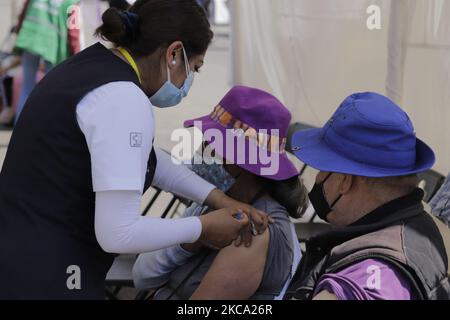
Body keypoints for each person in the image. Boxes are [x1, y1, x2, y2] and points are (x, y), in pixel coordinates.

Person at [0, 0, 269, 299]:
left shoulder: (92, 66)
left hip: (20, 246)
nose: (189, 82)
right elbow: (118, 232)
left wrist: (217, 198)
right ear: (174, 53)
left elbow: (144, 159)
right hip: (48, 271)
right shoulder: (124, 99)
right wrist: (202, 227)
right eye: (195, 69)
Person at [133, 86, 309, 300]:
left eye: (212, 145)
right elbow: (142, 275)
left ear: (245, 162)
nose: (203, 150)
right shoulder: (219, 200)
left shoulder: (257, 227)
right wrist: (192, 239)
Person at [286, 92, 450, 300]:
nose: (318, 178)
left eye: (322, 167)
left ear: (344, 180)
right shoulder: (430, 228)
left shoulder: (358, 283)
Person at [13, 0, 81, 123]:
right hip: (52, 46)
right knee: (53, 89)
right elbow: (73, 32)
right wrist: (76, 55)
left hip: (29, 37)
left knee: (27, 87)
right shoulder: (71, 2)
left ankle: (20, 128)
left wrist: (19, 32)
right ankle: (49, 127)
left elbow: (23, 12)